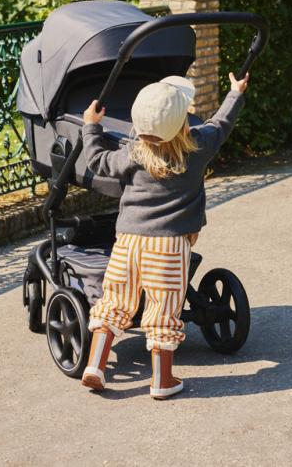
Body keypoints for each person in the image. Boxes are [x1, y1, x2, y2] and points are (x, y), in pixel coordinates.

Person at [79, 71, 250, 399]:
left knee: (114, 301)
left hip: (129, 242)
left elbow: (97, 161)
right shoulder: (198, 148)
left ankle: (95, 366)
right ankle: (162, 380)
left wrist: (91, 126)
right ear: (183, 122)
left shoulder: (132, 153)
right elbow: (221, 124)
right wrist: (235, 92)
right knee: (163, 310)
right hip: (169, 246)